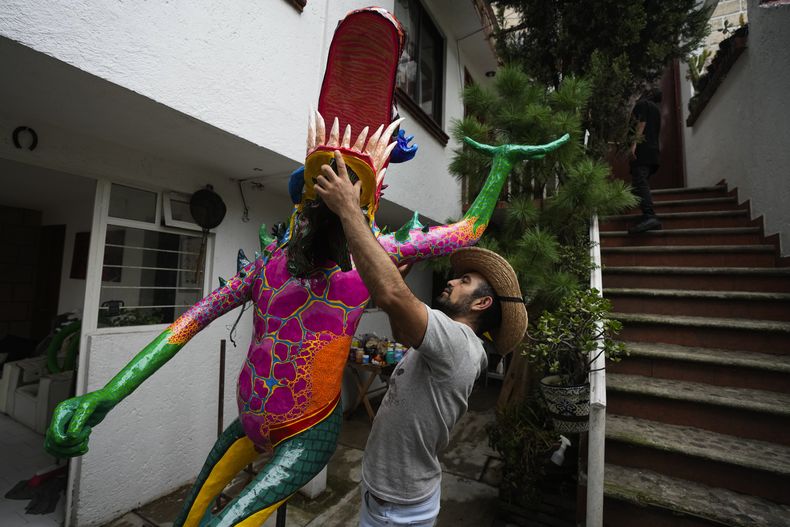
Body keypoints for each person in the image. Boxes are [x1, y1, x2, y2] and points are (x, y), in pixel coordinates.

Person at [315, 153, 528, 527]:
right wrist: (395, 286)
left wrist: (350, 209)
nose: (451, 280)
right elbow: (403, 327)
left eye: (465, 282)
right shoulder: (447, 341)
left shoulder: (460, 343)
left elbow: (393, 298)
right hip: (383, 497)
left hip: (398, 512)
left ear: (482, 303)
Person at [628, 87, 663, 234]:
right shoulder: (656, 110)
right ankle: (645, 215)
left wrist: (633, 145)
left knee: (640, 181)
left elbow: (641, 123)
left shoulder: (643, 104)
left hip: (643, 150)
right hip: (653, 152)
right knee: (639, 182)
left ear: (648, 94)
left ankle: (650, 216)